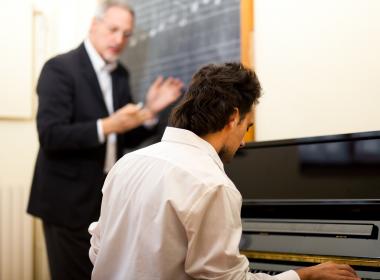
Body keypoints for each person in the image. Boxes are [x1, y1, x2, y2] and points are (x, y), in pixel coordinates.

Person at [88, 62, 360, 280]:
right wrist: (304, 275)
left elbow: (98, 248)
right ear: (232, 118)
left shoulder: (127, 164)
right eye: (247, 126)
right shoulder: (211, 184)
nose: (243, 141)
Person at [27, 1, 183, 279]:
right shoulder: (59, 68)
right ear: (94, 25)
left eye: (126, 34)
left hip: (105, 197)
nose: (119, 39)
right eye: (113, 29)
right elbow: (51, 134)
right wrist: (109, 124)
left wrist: (149, 112)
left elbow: (122, 136)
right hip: (66, 200)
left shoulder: (120, 73)